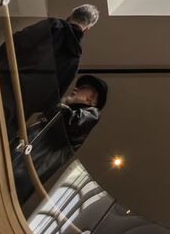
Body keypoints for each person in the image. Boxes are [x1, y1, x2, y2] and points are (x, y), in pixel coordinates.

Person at [0, 3, 99, 140]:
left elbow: (18, 41)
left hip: (1, 84)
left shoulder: (53, 25)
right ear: (87, 29)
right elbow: (54, 96)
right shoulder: (74, 59)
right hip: (18, 109)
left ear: (71, 16)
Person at [13, 73, 108, 205]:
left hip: (19, 172)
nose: (75, 89)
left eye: (83, 88)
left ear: (91, 99)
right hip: (16, 164)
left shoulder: (91, 114)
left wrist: (59, 103)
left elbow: (70, 121)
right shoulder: (60, 114)